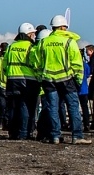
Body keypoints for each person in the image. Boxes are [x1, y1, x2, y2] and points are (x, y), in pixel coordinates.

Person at [36, 13, 90, 145]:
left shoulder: (43, 42)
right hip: (67, 79)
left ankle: (55, 136)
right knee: (73, 107)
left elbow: (36, 62)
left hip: (48, 80)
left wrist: (40, 77)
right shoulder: (69, 42)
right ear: (62, 27)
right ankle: (77, 136)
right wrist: (78, 80)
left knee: (53, 108)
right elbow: (77, 63)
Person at [3, 23, 41, 140]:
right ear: (29, 34)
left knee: (13, 107)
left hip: (12, 79)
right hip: (28, 80)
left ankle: (13, 132)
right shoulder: (31, 47)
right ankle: (25, 132)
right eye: (33, 34)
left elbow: (4, 65)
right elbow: (36, 64)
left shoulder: (11, 47)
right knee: (26, 107)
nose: (34, 36)